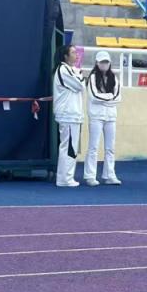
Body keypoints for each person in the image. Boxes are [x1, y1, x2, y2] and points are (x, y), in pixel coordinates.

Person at [83, 50, 121, 187]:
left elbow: (118, 98)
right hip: (96, 116)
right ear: (97, 63)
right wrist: (109, 97)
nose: (104, 64)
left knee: (110, 148)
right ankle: (90, 176)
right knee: (93, 147)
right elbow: (93, 96)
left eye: (106, 62)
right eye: (102, 62)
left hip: (111, 117)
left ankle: (110, 175)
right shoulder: (92, 77)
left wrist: (105, 99)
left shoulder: (114, 77)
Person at [53, 45, 85, 188]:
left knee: (68, 147)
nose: (76, 55)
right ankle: (65, 178)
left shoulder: (71, 70)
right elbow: (80, 85)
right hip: (68, 115)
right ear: (65, 56)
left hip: (72, 115)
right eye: (73, 52)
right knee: (69, 147)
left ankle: (65, 177)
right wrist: (81, 75)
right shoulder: (63, 69)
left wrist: (79, 74)